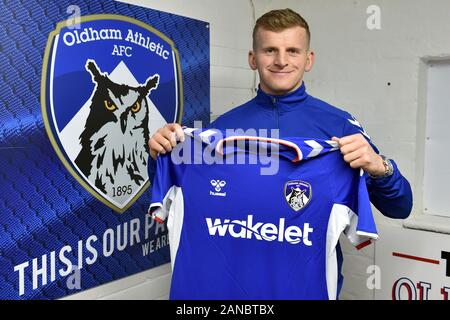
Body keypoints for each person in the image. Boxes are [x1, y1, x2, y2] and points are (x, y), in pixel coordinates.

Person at [147, 8, 412, 297]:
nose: (281, 60)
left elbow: (400, 207)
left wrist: (380, 167)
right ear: (253, 58)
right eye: (270, 50)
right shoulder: (221, 131)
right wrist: (161, 155)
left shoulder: (341, 127)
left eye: (293, 51)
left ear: (308, 59)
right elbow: (180, 191)